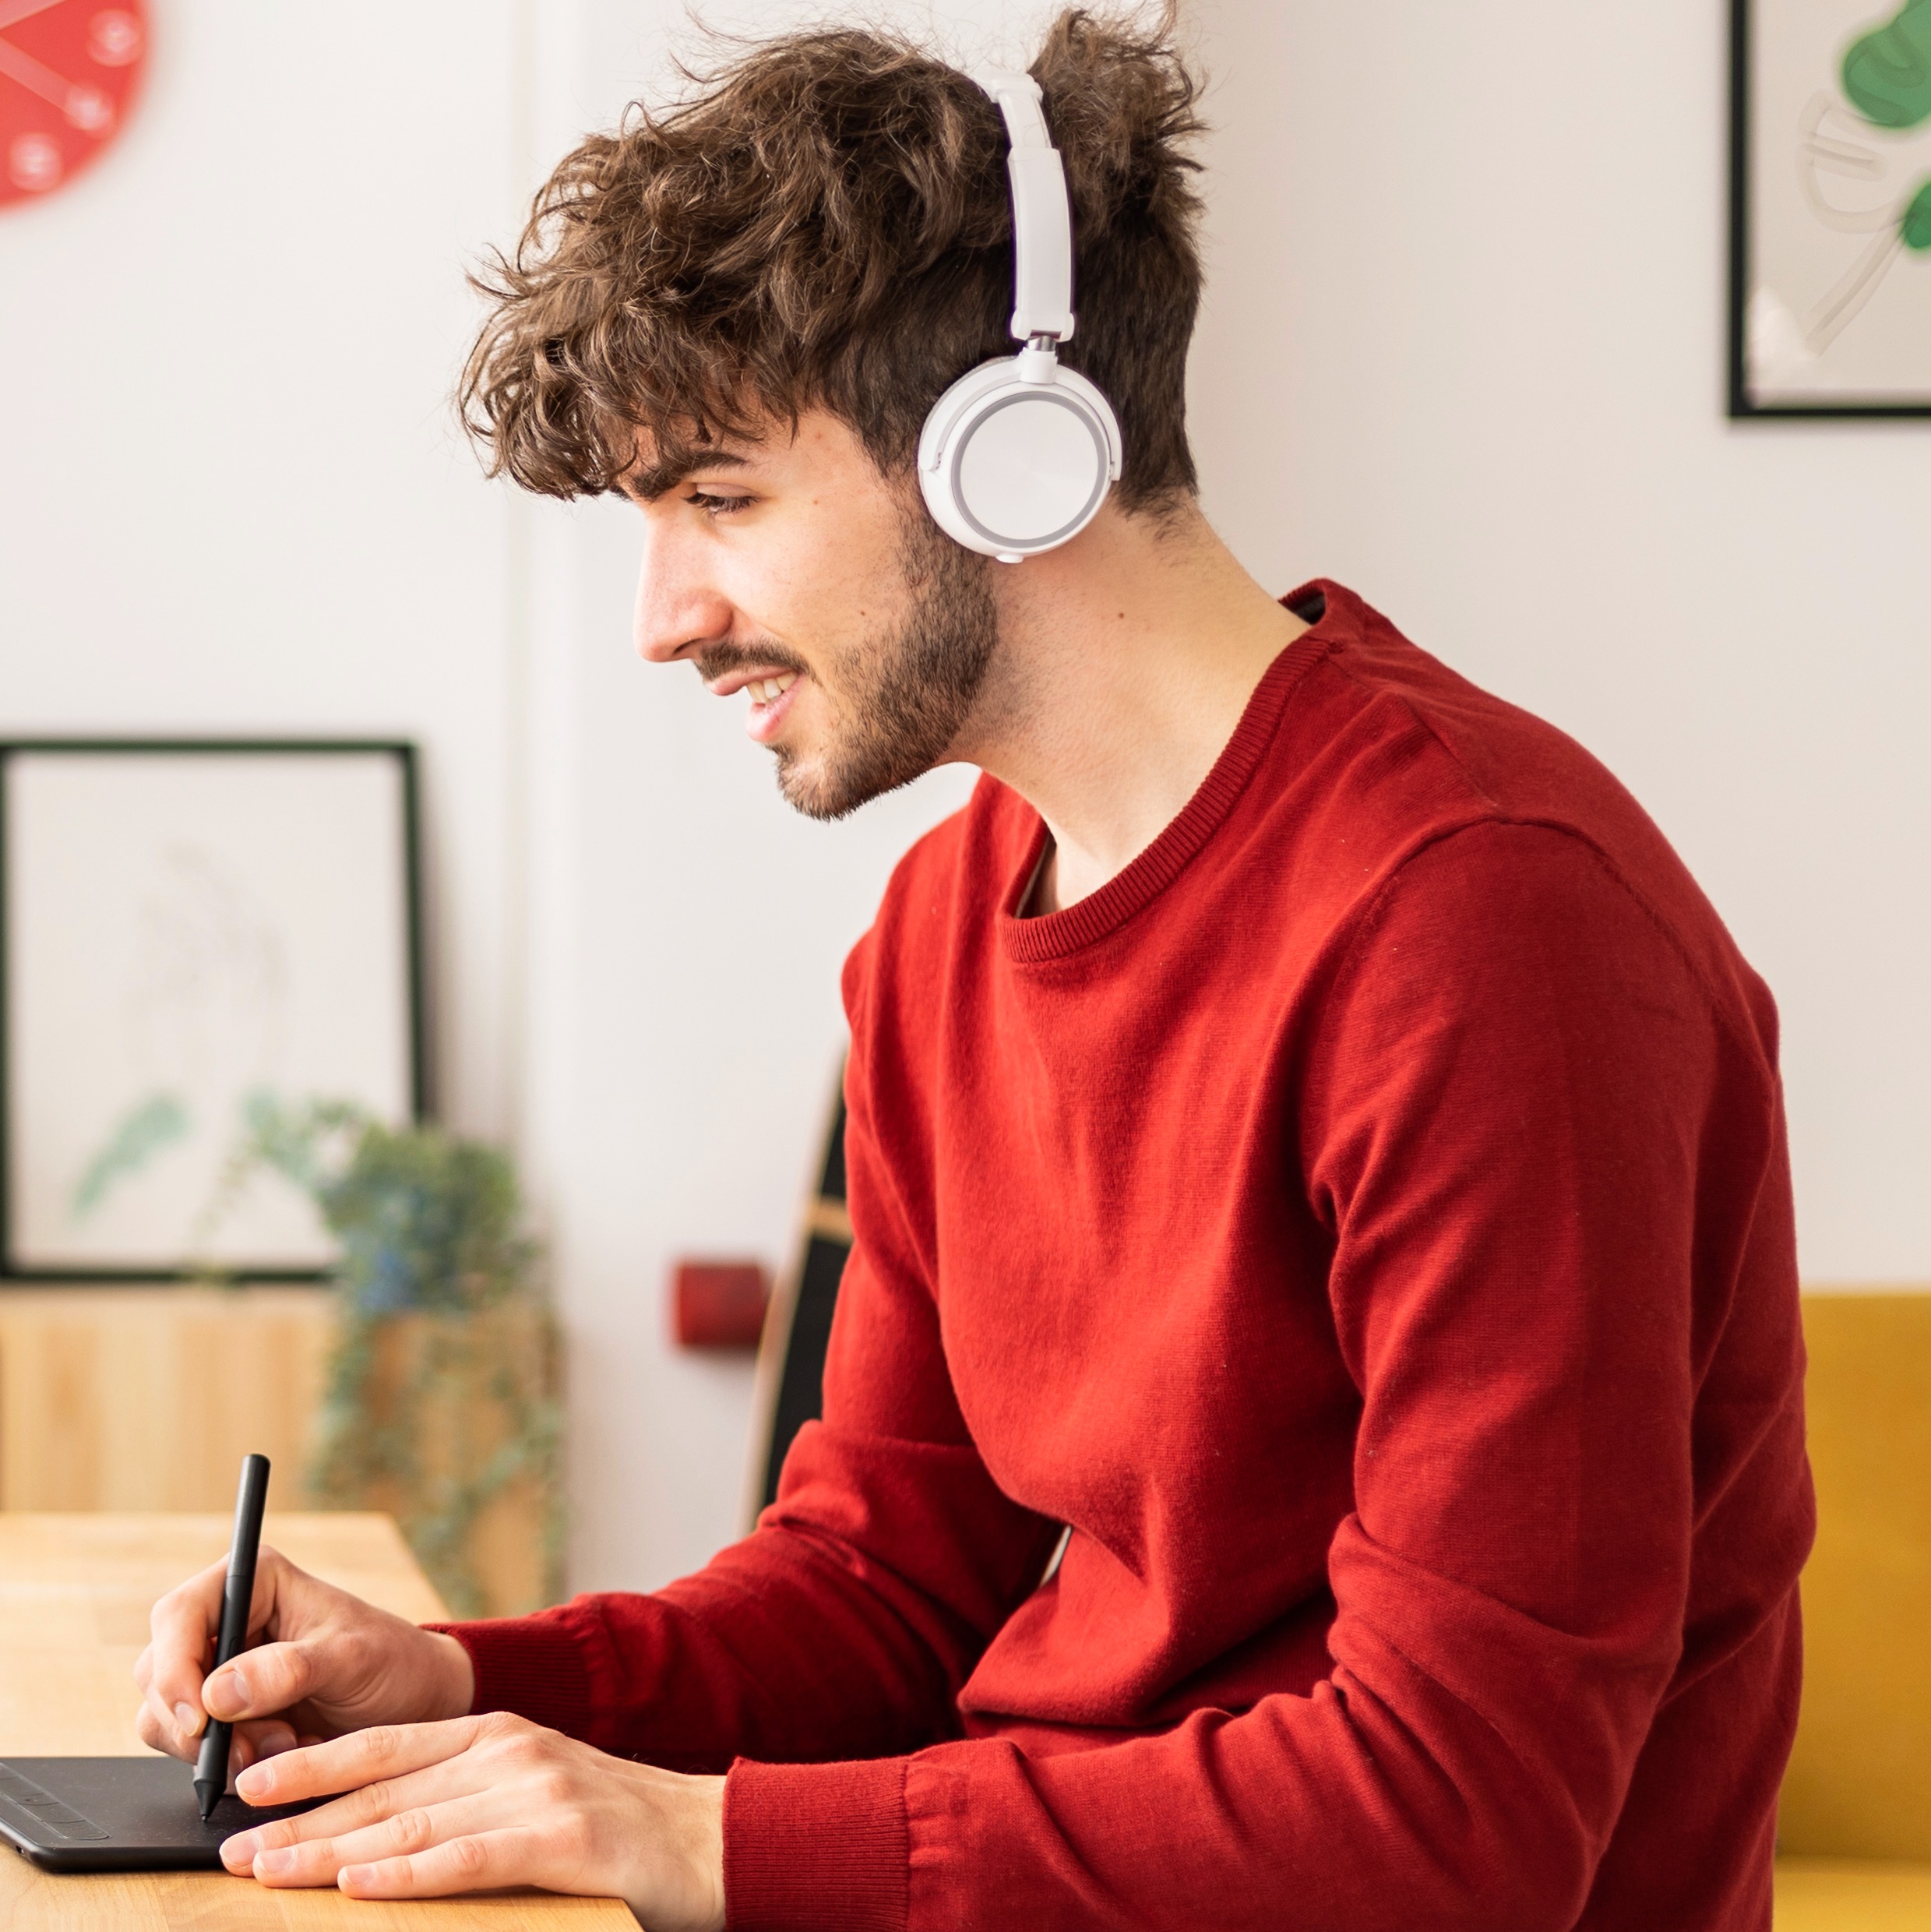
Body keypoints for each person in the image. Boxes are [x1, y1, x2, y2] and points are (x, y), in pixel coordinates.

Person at [129, 17, 1810, 1931]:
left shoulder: (1482, 924)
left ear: (1017, 455)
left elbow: (1463, 1824)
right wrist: (473, 1685)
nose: (664, 620)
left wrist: (704, 1842)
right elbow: (886, 1582)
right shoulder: (940, 929)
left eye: (722, 500)